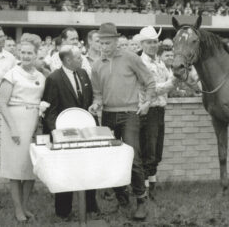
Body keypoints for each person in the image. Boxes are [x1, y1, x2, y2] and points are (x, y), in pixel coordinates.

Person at [88, 22, 156, 220]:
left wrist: (148, 102)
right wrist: (96, 104)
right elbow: (98, 94)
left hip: (130, 114)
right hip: (108, 115)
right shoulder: (96, 65)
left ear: (116, 41)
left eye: (108, 43)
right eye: (101, 43)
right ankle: (122, 198)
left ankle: (141, 201)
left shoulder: (130, 58)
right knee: (111, 157)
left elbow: (149, 81)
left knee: (132, 156)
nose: (104, 47)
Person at [42, 45, 99, 219]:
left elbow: (87, 101)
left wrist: (93, 113)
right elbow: (50, 111)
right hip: (64, 134)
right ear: (68, 60)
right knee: (65, 172)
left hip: (86, 132)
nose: (82, 59)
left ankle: (91, 207)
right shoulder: (54, 78)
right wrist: (56, 134)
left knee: (88, 170)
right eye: (79, 57)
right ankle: (63, 212)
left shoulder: (82, 73)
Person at [0, 33, 45, 222]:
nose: (26, 56)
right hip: (15, 123)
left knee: (30, 169)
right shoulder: (11, 75)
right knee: (16, 170)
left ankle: (25, 207)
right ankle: (18, 209)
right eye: (23, 52)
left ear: (35, 54)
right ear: (19, 53)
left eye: (30, 53)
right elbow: (2, 104)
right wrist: (14, 129)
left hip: (34, 123)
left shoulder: (41, 76)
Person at [137, 26, 177, 198]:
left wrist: (169, 83)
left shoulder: (159, 62)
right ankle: (144, 189)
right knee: (149, 150)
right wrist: (172, 83)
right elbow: (151, 87)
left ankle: (151, 184)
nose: (153, 45)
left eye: (155, 42)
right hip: (149, 111)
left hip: (159, 109)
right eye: (149, 42)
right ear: (142, 44)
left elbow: (167, 80)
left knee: (157, 149)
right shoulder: (141, 62)